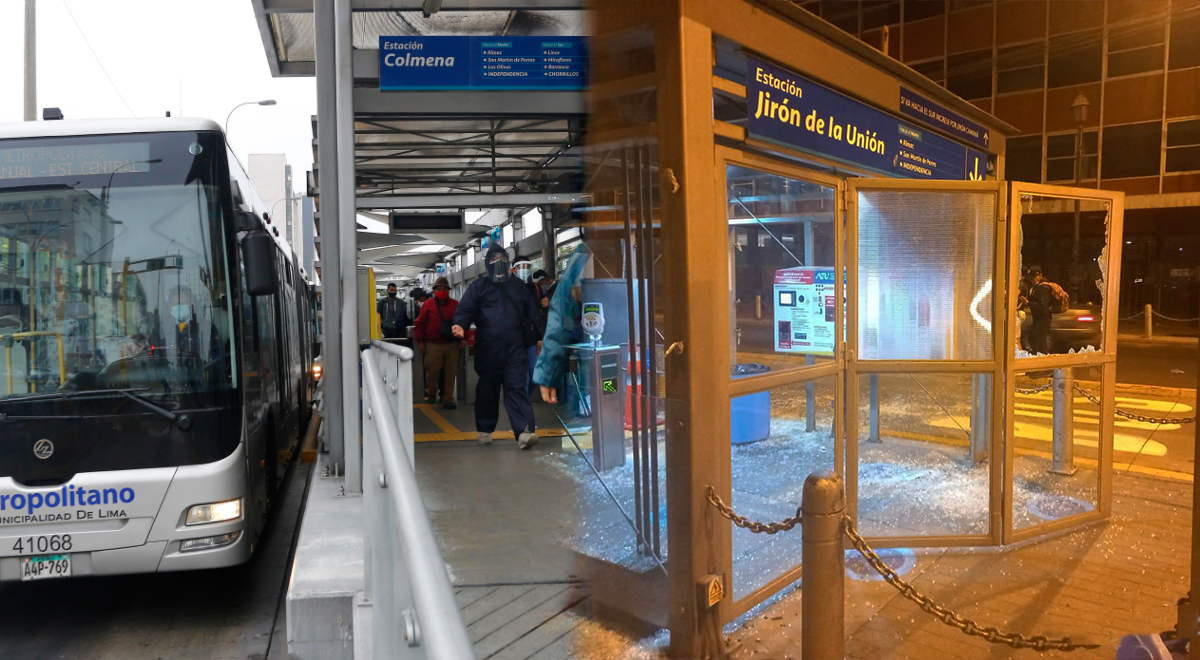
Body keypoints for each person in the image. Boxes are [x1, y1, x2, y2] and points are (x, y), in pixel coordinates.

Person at [452, 244, 542, 449]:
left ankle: (524, 432)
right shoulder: (478, 286)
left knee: (516, 388)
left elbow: (532, 313)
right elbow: (466, 308)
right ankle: (485, 429)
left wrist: (538, 336)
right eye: (494, 259)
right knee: (487, 389)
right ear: (487, 263)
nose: (498, 262)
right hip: (488, 348)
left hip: (515, 348)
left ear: (508, 261)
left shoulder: (519, 286)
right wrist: (459, 324)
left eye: (502, 258)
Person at [534, 245, 590, 405]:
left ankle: (580, 403)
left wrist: (546, 373)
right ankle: (580, 403)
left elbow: (558, 324)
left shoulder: (563, 287)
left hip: (574, 335)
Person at [414, 277, 461, 409]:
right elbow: (420, 323)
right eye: (439, 289)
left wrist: (464, 338)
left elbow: (462, 321)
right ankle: (432, 393)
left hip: (451, 344)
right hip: (433, 344)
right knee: (432, 372)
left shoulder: (455, 304)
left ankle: (448, 399)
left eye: (444, 289)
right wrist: (420, 341)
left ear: (448, 291)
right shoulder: (428, 304)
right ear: (434, 291)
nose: (442, 291)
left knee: (450, 373)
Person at [158, 285, 221, 360]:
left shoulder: (207, 329)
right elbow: (153, 359)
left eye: (183, 302)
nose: (179, 306)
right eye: (175, 303)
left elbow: (217, 358)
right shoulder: (160, 330)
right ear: (170, 306)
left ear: (192, 304)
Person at [1023, 265, 1069, 355]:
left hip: (1043, 319)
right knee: (1034, 339)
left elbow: (1042, 305)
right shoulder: (1037, 287)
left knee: (1039, 342)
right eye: (1030, 277)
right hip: (1039, 319)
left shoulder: (1043, 288)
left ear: (1040, 276)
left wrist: (1028, 303)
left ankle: (1042, 360)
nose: (1031, 279)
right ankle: (1039, 357)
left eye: (1033, 277)